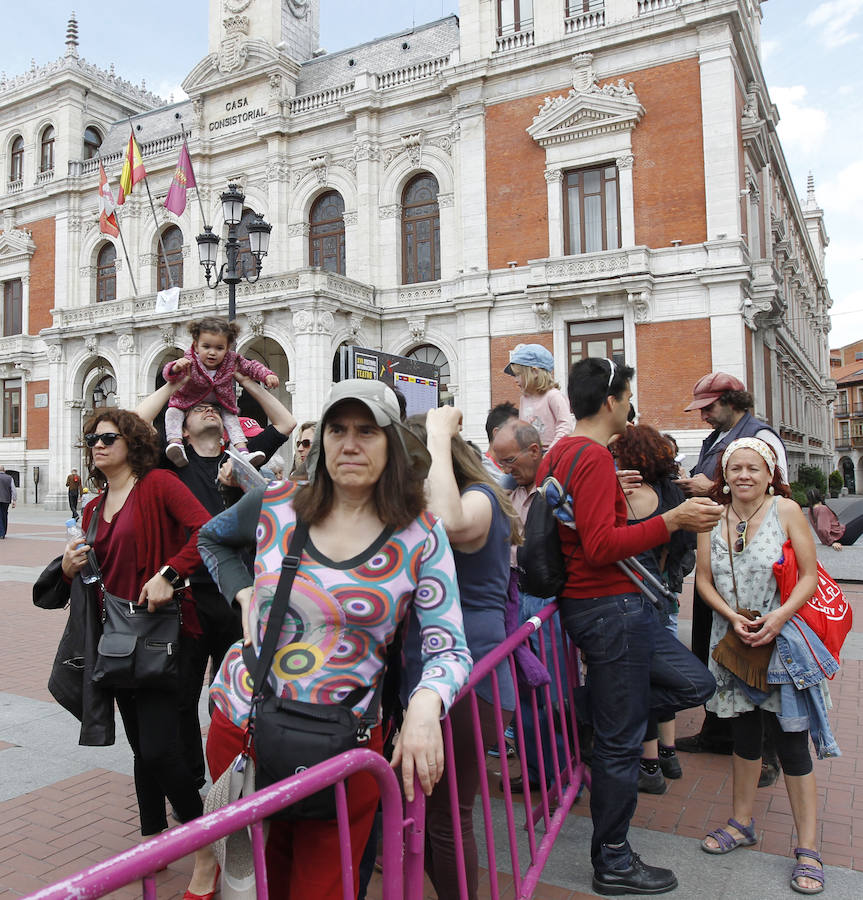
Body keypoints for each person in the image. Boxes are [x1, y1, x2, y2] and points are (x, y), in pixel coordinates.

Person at [190, 380, 472, 900]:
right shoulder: (276, 503)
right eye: (337, 429)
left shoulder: (421, 534)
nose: (349, 444)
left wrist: (425, 706)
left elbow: (449, 648)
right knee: (249, 885)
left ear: (393, 443)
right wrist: (243, 591)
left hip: (346, 746)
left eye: (367, 430)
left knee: (325, 888)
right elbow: (211, 538)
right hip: (244, 727)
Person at [539, 357, 722, 896]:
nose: (630, 406)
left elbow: (582, 524)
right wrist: (673, 520)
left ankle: (575, 710)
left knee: (694, 684)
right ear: (613, 400)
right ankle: (613, 860)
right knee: (621, 744)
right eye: (628, 396)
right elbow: (598, 547)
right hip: (609, 609)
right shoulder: (589, 455)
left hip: (607, 609)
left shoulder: (564, 451)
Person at [34, 410, 213, 880]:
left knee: (159, 750)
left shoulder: (157, 485)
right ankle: (152, 840)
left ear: (131, 442)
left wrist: (170, 574)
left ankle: (206, 845)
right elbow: (97, 578)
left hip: (164, 636)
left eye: (107, 437)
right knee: (141, 748)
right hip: (115, 641)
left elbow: (208, 531)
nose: (97, 444)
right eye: (91, 438)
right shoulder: (92, 508)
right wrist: (72, 568)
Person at [136, 372, 296, 794]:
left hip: (237, 594)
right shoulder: (171, 459)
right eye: (195, 407)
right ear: (180, 425)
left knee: (235, 694)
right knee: (184, 698)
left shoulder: (242, 458)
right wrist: (176, 388)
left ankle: (232, 778)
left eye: (213, 405)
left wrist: (241, 378)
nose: (206, 406)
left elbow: (285, 422)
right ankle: (191, 785)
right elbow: (136, 422)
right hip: (187, 597)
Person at [697, 437, 830, 895]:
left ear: (770, 474)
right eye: (735, 468)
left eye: (754, 468)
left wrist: (778, 617)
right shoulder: (710, 517)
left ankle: (809, 849)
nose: (744, 476)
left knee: (791, 745)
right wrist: (731, 616)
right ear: (724, 475)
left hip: (782, 644)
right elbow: (702, 580)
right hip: (733, 642)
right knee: (745, 737)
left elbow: (810, 576)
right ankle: (741, 823)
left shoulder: (786, 512)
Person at [406, 406, 521, 900]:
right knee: (433, 814)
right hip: (438, 680)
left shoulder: (477, 499)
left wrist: (435, 431)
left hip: (472, 680)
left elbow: (450, 522)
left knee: (448, 816)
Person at [676, 372, 787, 765]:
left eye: (709, 407)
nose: (703, 415)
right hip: (719, 557)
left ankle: (769, 753)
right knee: (713, 647)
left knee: (759, 658)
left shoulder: (761, 435)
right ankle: (717, 730)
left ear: (731, 400)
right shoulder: (716, 438)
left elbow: (775, 491)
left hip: (753, 567)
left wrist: (710, 488)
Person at [611, 424, 697, 793]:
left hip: (623, 599)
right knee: (660, 675)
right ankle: (667, 753)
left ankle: (647, 764)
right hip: (662, 594)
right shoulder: (672, 493)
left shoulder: (620, 494)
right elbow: (683, 549)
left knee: (635, 681)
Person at [491, 417, 569, 792]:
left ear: (535, 450)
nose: (506, 469)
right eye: (500, 462)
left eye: (510, 461)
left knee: (553, 693)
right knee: (521, 688)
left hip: (544, 598)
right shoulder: (508, 490)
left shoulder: (556, 491)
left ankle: (562, 773)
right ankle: (537, 771)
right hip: (512, 594)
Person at [162, 316, 279, 468]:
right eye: (206, 347)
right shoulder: (190, 359)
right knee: (172, 412)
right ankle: (175, 443)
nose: (212, 353)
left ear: (228, 348)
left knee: (232, 420)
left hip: (221, 401)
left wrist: (267, 375)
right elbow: (167, 373)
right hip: (189, 400)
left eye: (219, 348)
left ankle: (243, 452)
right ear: (196, 346)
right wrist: (176, 368)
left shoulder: (232, 360)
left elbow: (251, 367)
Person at [504, 344, 573, 451]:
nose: (515, 379)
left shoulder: (553, 396)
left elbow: (565, 426)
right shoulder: (524, 399)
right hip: (530, 452)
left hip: (552, 452)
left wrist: (551, 452)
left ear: (535, 372)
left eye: (518, 374)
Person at [0, 465, 16, 538]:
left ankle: (1, 533)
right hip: (6, 500)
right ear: (4, 470)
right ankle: (4, 531)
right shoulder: (10, 478)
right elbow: (13, 490)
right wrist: (14, 500)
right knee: (4, 515)